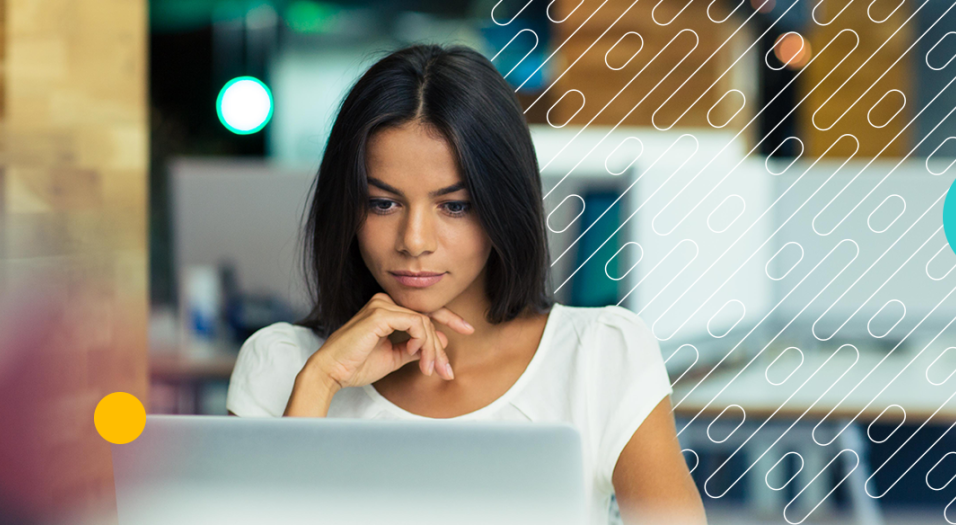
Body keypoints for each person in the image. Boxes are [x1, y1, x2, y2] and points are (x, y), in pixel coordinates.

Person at [226, 43, 706, 525]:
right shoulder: (282, 366)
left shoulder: (600, 355)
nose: (414, 242)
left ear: (503, 206)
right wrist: (320, 384)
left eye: (454, 206)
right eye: (382, 203)